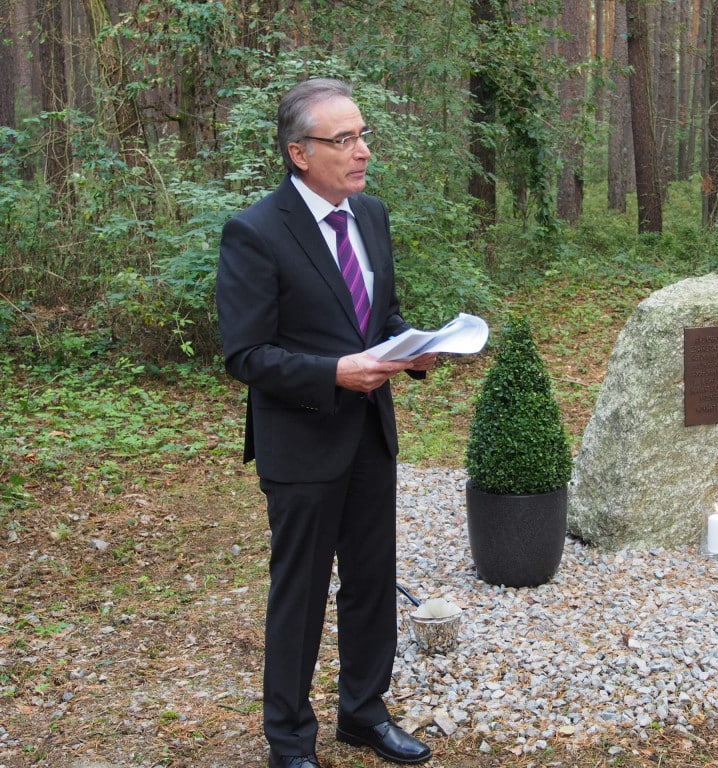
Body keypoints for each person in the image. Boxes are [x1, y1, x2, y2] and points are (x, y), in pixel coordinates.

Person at [216, 78, 437, 768]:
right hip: (303, 443)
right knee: (301, 595)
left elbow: (380, 319)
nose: (362, 150)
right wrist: (332, 373)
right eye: (344, 139)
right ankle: (290, 739)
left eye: (364, 134)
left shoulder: (370, 216)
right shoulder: (254, 232)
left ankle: (364, 716)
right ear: (299, 152)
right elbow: (247, 354)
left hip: (370, 433)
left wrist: (418, 346)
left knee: (372, 584)